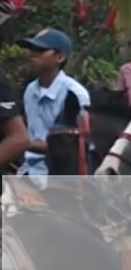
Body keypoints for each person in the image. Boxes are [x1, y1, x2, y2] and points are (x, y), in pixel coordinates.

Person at [16, 27, 91, 183]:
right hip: (27, 170)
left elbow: (76, 148)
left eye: (40, 50)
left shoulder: (75, 94)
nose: (32, 55)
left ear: (60, 57)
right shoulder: (30, 90)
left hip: (57, 177)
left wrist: (20, 143)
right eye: (32, 49)